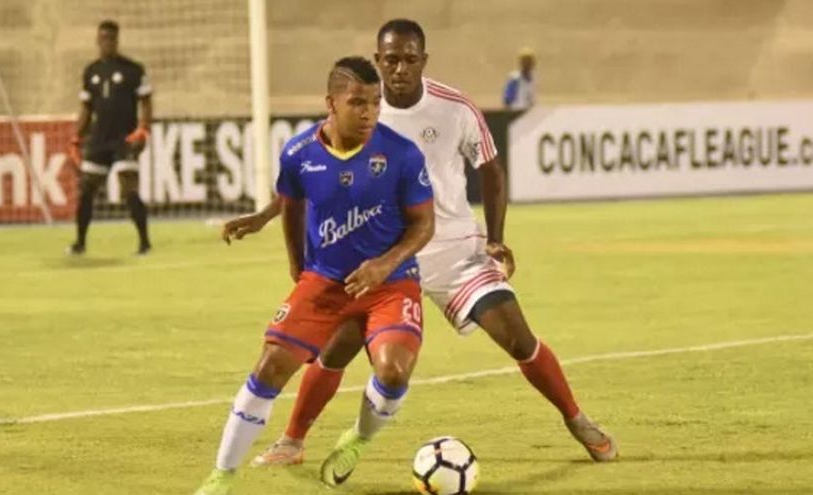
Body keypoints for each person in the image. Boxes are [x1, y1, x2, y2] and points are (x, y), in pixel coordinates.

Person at [224, 19, 618, 467]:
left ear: (423, 61)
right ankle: (292, 440)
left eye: (410, 59)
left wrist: (495, 239)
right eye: (391, 59)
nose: (400, 69)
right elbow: (317, 173)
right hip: (383, 259)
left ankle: (577, 419)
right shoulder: (359, 110)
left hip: (454, 251)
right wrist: (265, 215)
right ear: (377, 60)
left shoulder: (455, 109)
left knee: (517, 336)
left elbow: (491, 170)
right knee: (336, 349)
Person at [193, 56, 435, 495]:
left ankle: (356, 440)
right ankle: (221, 477)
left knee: (394, 372)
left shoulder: (401, 154)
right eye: (358, 102)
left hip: (391, 283)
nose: (369, 113)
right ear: (331, 103)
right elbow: (292, 203)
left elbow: (424, 225)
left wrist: (384, 264)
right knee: (269, 367)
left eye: (375, 103)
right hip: (324, 281)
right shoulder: (298, 153)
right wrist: (295, 262)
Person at [67, 20, 152, 256]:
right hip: (99, 140)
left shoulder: (133, 70)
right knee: (86, 189)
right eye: (103, 38)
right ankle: (80, 243)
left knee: (128, 188)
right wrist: (76, 138)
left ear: (117, 40)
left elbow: (146, 103)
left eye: (111, 38)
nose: (107, 42)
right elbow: (86, 109)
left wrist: (144, 130)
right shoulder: (91, 72)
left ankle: (144, 242)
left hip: (125, 139)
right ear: (97, 40)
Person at [502, 46, 536, 112]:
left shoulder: (533, 78)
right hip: (516, 112)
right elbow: (507, 100)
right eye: (525, 61)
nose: (527, 64)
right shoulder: (514, 79)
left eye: (529, 61)